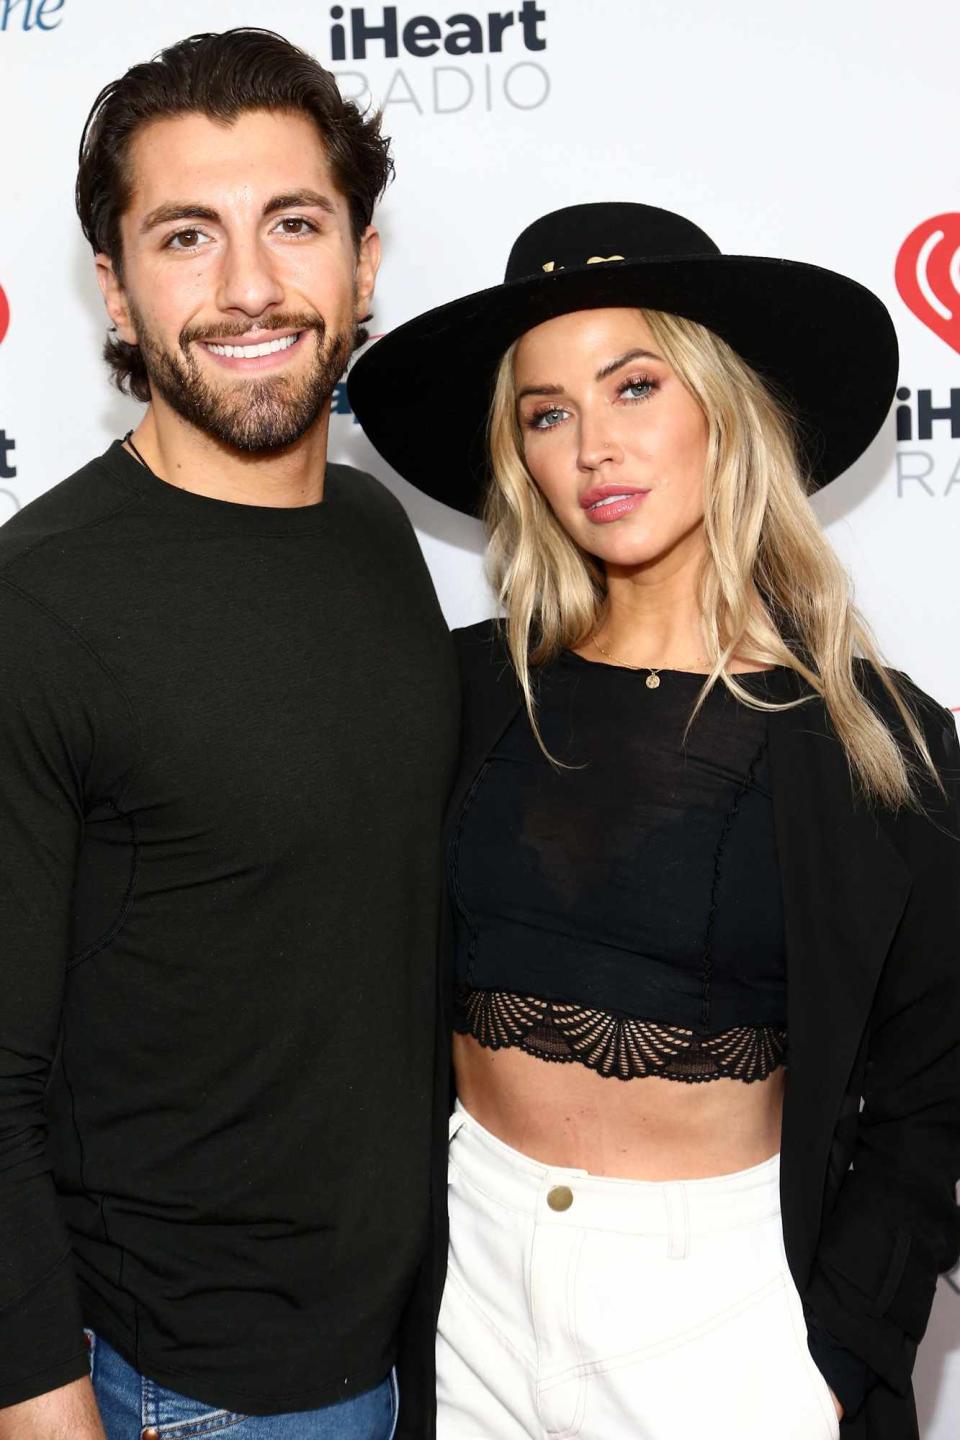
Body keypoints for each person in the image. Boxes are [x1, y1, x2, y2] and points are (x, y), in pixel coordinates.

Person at [348, 202, 960, 1440]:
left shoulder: (880, 740)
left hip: (721, 1321)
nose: (592, 450)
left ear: (722, 407)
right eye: (548, 413)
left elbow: (935, 1086)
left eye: (634, 386)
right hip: (469, 1283)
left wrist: (842, 1345)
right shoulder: (454, 690)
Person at [0, 28, 457, 1440]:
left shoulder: (377, 532)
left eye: (294, 224)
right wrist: (42, 1406)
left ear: (363, 265)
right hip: (178, 1395)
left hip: (412, 1345)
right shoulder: (38, 609)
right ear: (117, 294)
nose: (250, 286)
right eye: (187, 236)